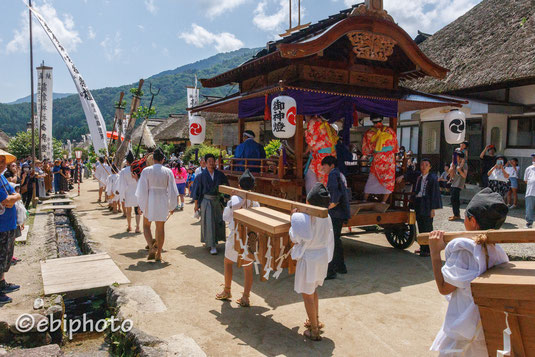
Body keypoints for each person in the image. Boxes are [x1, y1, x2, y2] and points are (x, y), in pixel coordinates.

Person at [429, 188, 509, 356]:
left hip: (463, 332)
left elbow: (444, 288)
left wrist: (435, 253)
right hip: (484, 329)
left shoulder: (465, 249)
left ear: (472, 221)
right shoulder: (498, 251)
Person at [290, 183, 334, 341]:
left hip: (309, 258)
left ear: (309, 201)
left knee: (307, 294)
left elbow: (295, 237)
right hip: (321, 256)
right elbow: (330, 239)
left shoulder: (306, 217)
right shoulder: (326, 216)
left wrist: (293, 218)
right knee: (313, 290)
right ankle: (314, 320)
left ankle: (314, 330)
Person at [216, 170, 259, 307]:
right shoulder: (256, 201)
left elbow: (226, 217)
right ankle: (246, 297)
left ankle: (227, 290)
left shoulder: (235, 200)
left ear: (239, 186)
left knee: (228, 261)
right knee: (248, 266)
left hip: (236, 235)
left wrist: (231, 200)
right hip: (250, 236)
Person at [135, 148, 178, 261]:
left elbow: (142, 190)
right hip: (163, 199)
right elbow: (173, 190)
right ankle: (159, 253)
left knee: (146, 225)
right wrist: (172, 205)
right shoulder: (168, 171)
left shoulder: (146, 171)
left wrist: (140, 205)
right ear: (163, 159)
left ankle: (151, 246)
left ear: (153, 159)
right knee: (160, 228)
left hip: (150, 199)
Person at [397, 158, 443, 257]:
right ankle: (422, 246)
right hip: (418, 202)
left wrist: (433, 209)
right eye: (422, 165)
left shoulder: (432, 178)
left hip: (427, 204)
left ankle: (428, 249)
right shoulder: (418, 176)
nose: (424, 167)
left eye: (426, 165)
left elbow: (435, 194)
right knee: (420, 225)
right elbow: (409, 175)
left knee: (427, 226)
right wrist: (402, 176)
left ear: (430, 167)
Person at [321, 156, 350, 279]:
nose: (323, 168)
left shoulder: (333, 175)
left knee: (331, 241)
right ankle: (341, 267)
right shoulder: (339, 174)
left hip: (335, 213)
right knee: (336, 241)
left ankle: (331, 270)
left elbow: (335, 197)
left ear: (331, 165)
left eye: (324, 165)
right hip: (341, 212)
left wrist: (327, 208)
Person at [194, 154, 229, 255]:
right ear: (205, 162)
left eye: (213, 161)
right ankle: (212, 245)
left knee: (218, 221)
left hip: (217, 201)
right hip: (206, 201)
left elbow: (225, 187)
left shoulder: (220, 175)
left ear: (215, 162)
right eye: (209, 161)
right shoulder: (201, 176)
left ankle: (216, 240)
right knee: (208, 222)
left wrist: (225, 200)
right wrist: (196, 205)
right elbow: (197, 191)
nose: (211, 163)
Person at [0, 150, 22, 306]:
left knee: (6, 256)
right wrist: (15, 197)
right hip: (1, 225)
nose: (2, 164)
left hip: (8, 223)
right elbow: (7, 200)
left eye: (3, 161)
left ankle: (2, 282)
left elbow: (15, 194)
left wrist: (14, 197)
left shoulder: (1, 177)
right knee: (1, 256)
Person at [362, 114, 398, 203]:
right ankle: (384, 201)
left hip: (378, 160)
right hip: (389, 160)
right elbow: (395, 147)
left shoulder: (370, 133)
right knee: (388, 181)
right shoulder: (390, 131)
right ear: (382, 120)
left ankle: (364, 200)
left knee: (372, 179)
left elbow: (366, 150)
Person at [304, 115, 338, 192]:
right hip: (330, 156)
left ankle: (319, 200)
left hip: (322, 157)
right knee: (326, 178)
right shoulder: (325, 123)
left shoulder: (314, 122)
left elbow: (312, 141)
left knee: (321, 180)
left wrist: (303, 153)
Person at [118, 152, 140, 233]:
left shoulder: (123, 171)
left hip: (128, 191)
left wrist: (122, 195)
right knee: (137, 209)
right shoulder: (137, 169)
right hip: (137, 189)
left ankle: (129, 226)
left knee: (129, 210)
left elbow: (122, 183)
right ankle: (137, 227)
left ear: (127, 162)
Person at [448, 150, 468, 221]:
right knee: (453, 199)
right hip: (453, 183)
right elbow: (451, 175)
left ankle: (456, 215)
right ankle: (456, 214)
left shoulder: (464, 165)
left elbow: (464, 176)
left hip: (459, 184)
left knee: (455, 199)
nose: (455, 158)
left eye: (457, 156)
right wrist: (451, 169)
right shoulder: (454, 164)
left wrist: (459, 170)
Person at [524, 153, 535, 229]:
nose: (534, 159)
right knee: (529, 209)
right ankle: (529, 223)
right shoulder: (529, 168)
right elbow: (526, 180)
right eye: (533, 158)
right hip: (530, 191)